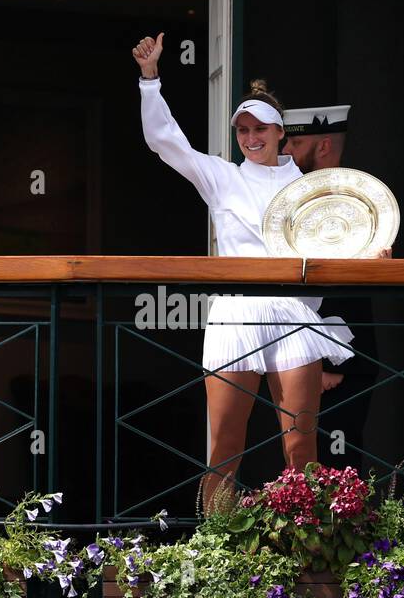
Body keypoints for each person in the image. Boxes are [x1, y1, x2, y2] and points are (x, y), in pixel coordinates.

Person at [133, 32, 359, 512]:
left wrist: (372, 252)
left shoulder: (313, 187)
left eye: (261, 129)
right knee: (224, 447)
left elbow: (343, 243)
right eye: (243, 131)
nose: (252, 138)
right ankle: (218, 551)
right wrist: (150, 80)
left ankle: (309, 544)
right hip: (235, 312)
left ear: (281, 133)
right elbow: (164, 142)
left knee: (301, 444)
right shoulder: (223, 176)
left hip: (293, 312)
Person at [281, 104, 386, 471]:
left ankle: (338, 529)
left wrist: (329, 358)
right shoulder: (286, 195)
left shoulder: (358, 200)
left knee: (335, 460)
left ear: (323, 146)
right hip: (291, 348)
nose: (287, 150)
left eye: (296, 142)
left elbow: (345, 280)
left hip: (339, 358)